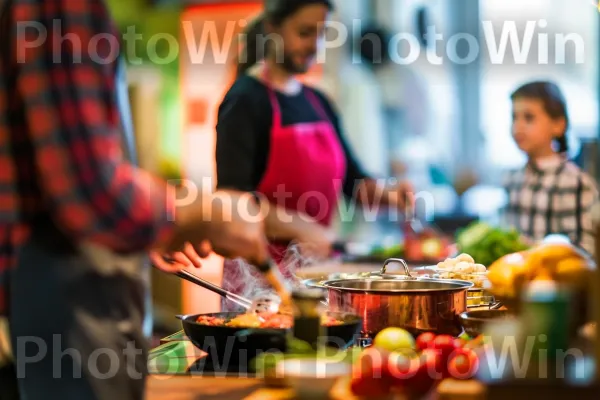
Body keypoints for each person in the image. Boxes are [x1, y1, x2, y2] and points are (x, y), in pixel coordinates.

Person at [0, 1, 272, 399]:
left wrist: (146, 233)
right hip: (68, 300)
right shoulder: (61, 6)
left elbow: (55, 179)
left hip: (74, 287)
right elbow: (88, 188)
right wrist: (201, 214)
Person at [215, 0, 414, 303]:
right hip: (259, 284)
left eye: (322, 34)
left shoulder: (319, 102)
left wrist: (390, 195)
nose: (314, 45)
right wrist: (305, 229)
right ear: (272, 29)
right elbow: (234, 202)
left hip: (314, 278)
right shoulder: (245, 100)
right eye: (305, 33)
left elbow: (353, 184)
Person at [503, 81, 599, 255]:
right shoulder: (512, 179)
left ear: (558, 125)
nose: (518, 126)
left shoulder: (576, 182)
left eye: (529, 117)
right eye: (514, 117)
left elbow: (585, 251)